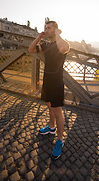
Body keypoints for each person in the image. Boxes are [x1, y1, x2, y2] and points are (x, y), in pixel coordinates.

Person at [28, 21, 70, 160]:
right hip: (47, 80)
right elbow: (31, 49)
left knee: (58, 112)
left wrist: (57, 34)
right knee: (49, 105)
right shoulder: (46, 45)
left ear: (56, 29)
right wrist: (39, 37)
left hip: (57, 83)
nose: (46, 30)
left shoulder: (63, 43)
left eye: (49, 28)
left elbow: (64, 48)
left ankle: (59, 141)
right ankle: (51, 127)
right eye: (45, 27)